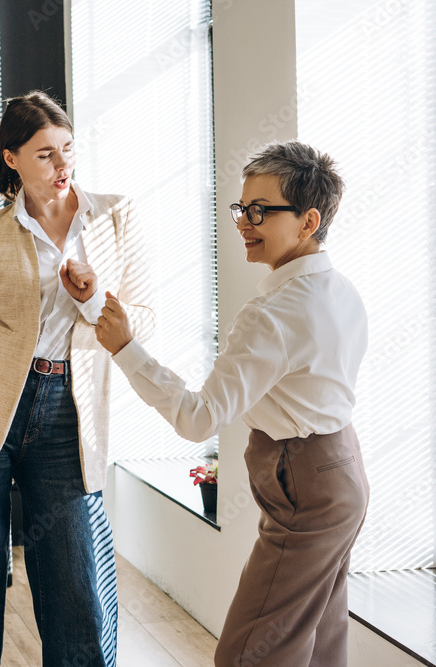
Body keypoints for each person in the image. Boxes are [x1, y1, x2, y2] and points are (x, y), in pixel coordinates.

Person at [95, 141, 369, 666]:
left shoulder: (274, 313)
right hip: (342, 474)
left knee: (248, 654)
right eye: (242, 207)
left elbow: (198, 419)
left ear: (309, 221)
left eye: (260, 211)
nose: (244, 222)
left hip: (306, 487)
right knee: (317, 645)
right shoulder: (341, 289)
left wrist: (127, 349)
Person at [0, 90, 152, 667]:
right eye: (45, 154)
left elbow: (144, 321)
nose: (62, 164)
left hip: (69, 413)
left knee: (78, 583)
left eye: (67, 149)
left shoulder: (116, 216)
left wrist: (94, 298)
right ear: (12, 158)